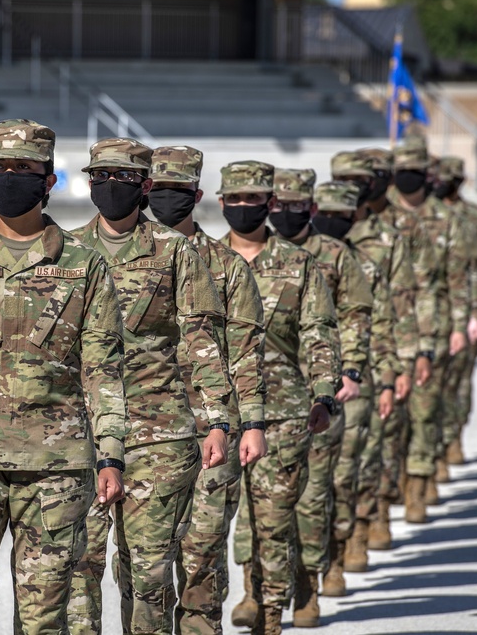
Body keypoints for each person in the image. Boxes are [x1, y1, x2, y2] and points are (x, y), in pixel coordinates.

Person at [0, 119, 128, 635]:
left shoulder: (86, 268)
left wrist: (110, 453)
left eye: (23, 168)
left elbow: (102, 366)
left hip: (56, 466)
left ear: (49, 181)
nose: (9, 177)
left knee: (43, 616)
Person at [69, 138, 234, 635]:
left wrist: (218, 421)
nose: (111, 187)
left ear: (143, 186)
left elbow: (200, 340)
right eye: (102, 177)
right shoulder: (67, 250)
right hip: (81, 435)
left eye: (123, 178)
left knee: (148, 574)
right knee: (79, 571)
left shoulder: (177, 251)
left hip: (158, 433)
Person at [146, 146, 268, 635]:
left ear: (197, 196)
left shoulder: (226, 265)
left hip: (210, 429)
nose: (167, 199)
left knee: (202, 549)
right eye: (159, 190)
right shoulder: (116, 259)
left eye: (179, 192)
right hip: (143, 430)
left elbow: (244, 348)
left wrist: (253, 421)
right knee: (146, 561)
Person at [219, 161, 341, 635]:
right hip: (218, 415)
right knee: (218, 527)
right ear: (221, 202)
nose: (244, 207)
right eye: (235, 199)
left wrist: (325, 393)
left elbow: (318, 332)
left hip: (282, 413)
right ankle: (249, 589)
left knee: (273, 520)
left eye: (254, 199)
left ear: (270, 203)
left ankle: (271, 615)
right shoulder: (203, 260)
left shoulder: (297, 264)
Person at [269, 169, 373, 626]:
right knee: (260, 508)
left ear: (309, 207)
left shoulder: (333, 256)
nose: (286, 213)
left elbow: (354, 315)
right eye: (279, 205)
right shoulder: (244, 254)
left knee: (314, 494)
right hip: (258, 400)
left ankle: (310, 582)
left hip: (318, 392)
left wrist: (347, 373)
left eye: (297, 205)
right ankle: (260, 589)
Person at [376, 140, 469, 523]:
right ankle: (387, 490)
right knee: (387, 419)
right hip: (387, 331)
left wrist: (459, 325)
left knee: (426, 409)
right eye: (402, 167)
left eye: (415, 168)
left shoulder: (445, 220)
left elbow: (454, 278)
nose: (407, 175)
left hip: (433, 325)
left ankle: (417, 484)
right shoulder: (380, 216)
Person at [334, 149, 420, 555]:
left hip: (369, 358)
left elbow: (399, 305)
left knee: (369, 449)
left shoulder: (388, 238)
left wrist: (402, 364)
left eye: (357, 180)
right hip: (315, 365)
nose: (351, 188)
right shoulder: (310, 237)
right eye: (341, 180)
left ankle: (367, 522)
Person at [432, 156, 477, 470]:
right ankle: (434, 449)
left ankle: (454, 437)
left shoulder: (474, 216)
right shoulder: (425, 218)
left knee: (459, 380)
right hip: (432, 312)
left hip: (466, 302)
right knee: (434, 384)